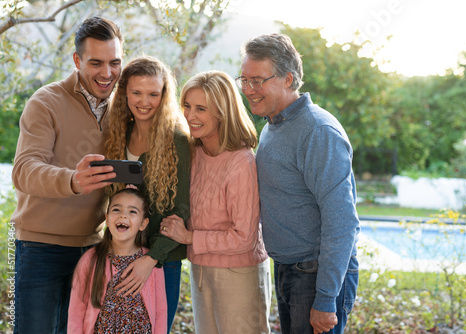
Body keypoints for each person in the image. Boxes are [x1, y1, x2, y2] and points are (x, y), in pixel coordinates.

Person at [238, 33, 360, 334]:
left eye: (258, 81)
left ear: (288, 79)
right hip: (289, 269)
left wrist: (326, 297)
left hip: (314, 274)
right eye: (244, 80)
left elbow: (342, 221)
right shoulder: (273, 124)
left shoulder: (318, 131)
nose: (248, 90)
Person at [11, 16, 123, 334]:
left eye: (115, 62)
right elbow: (23, 170)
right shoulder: (45, 102)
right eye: (96, 63)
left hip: (93, 249)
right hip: (39, 249)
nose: (107, 73)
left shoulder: (125, 107)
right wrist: (72, 180)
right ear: (77, 60)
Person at [161, 70, 272, 333]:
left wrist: (190, 238)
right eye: (187, 106)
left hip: (239, 274)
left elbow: (244, 237)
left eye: (201, 109)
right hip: (201, 269)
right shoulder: (195, 152)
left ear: (222, 112)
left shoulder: (241, 162)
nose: (190, 115)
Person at [103, 55, 191, 333]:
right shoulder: (118, 134)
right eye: (136, 92)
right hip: (119, 256)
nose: (144, 101)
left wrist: (151, 257)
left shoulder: (178, 139)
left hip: (161, 261)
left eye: (153, 94)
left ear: (164, 95)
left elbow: (183, 208)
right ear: (124, 93)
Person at [68, 188, 167, 333]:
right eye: (116, 209)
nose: (123, 215)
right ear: (107, 218)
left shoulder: (151, 263)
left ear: (143, 224)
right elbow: (76, 312)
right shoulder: (90, 260)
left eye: (132, 211)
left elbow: (161, 312)